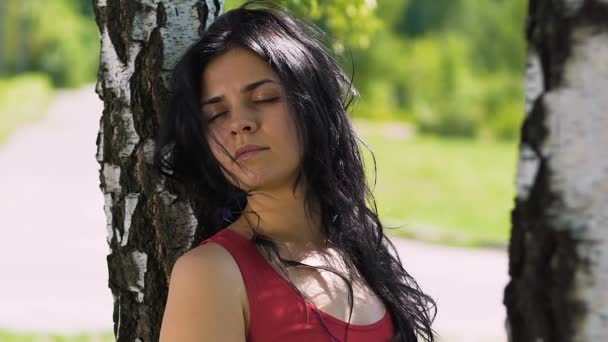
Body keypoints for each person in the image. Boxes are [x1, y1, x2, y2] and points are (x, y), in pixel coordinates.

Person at [155, 1, 436, 341]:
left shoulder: (360, 256)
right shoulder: (211, 274)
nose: (240, 123)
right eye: (216, 115)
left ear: (311, 103)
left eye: (263, 98)